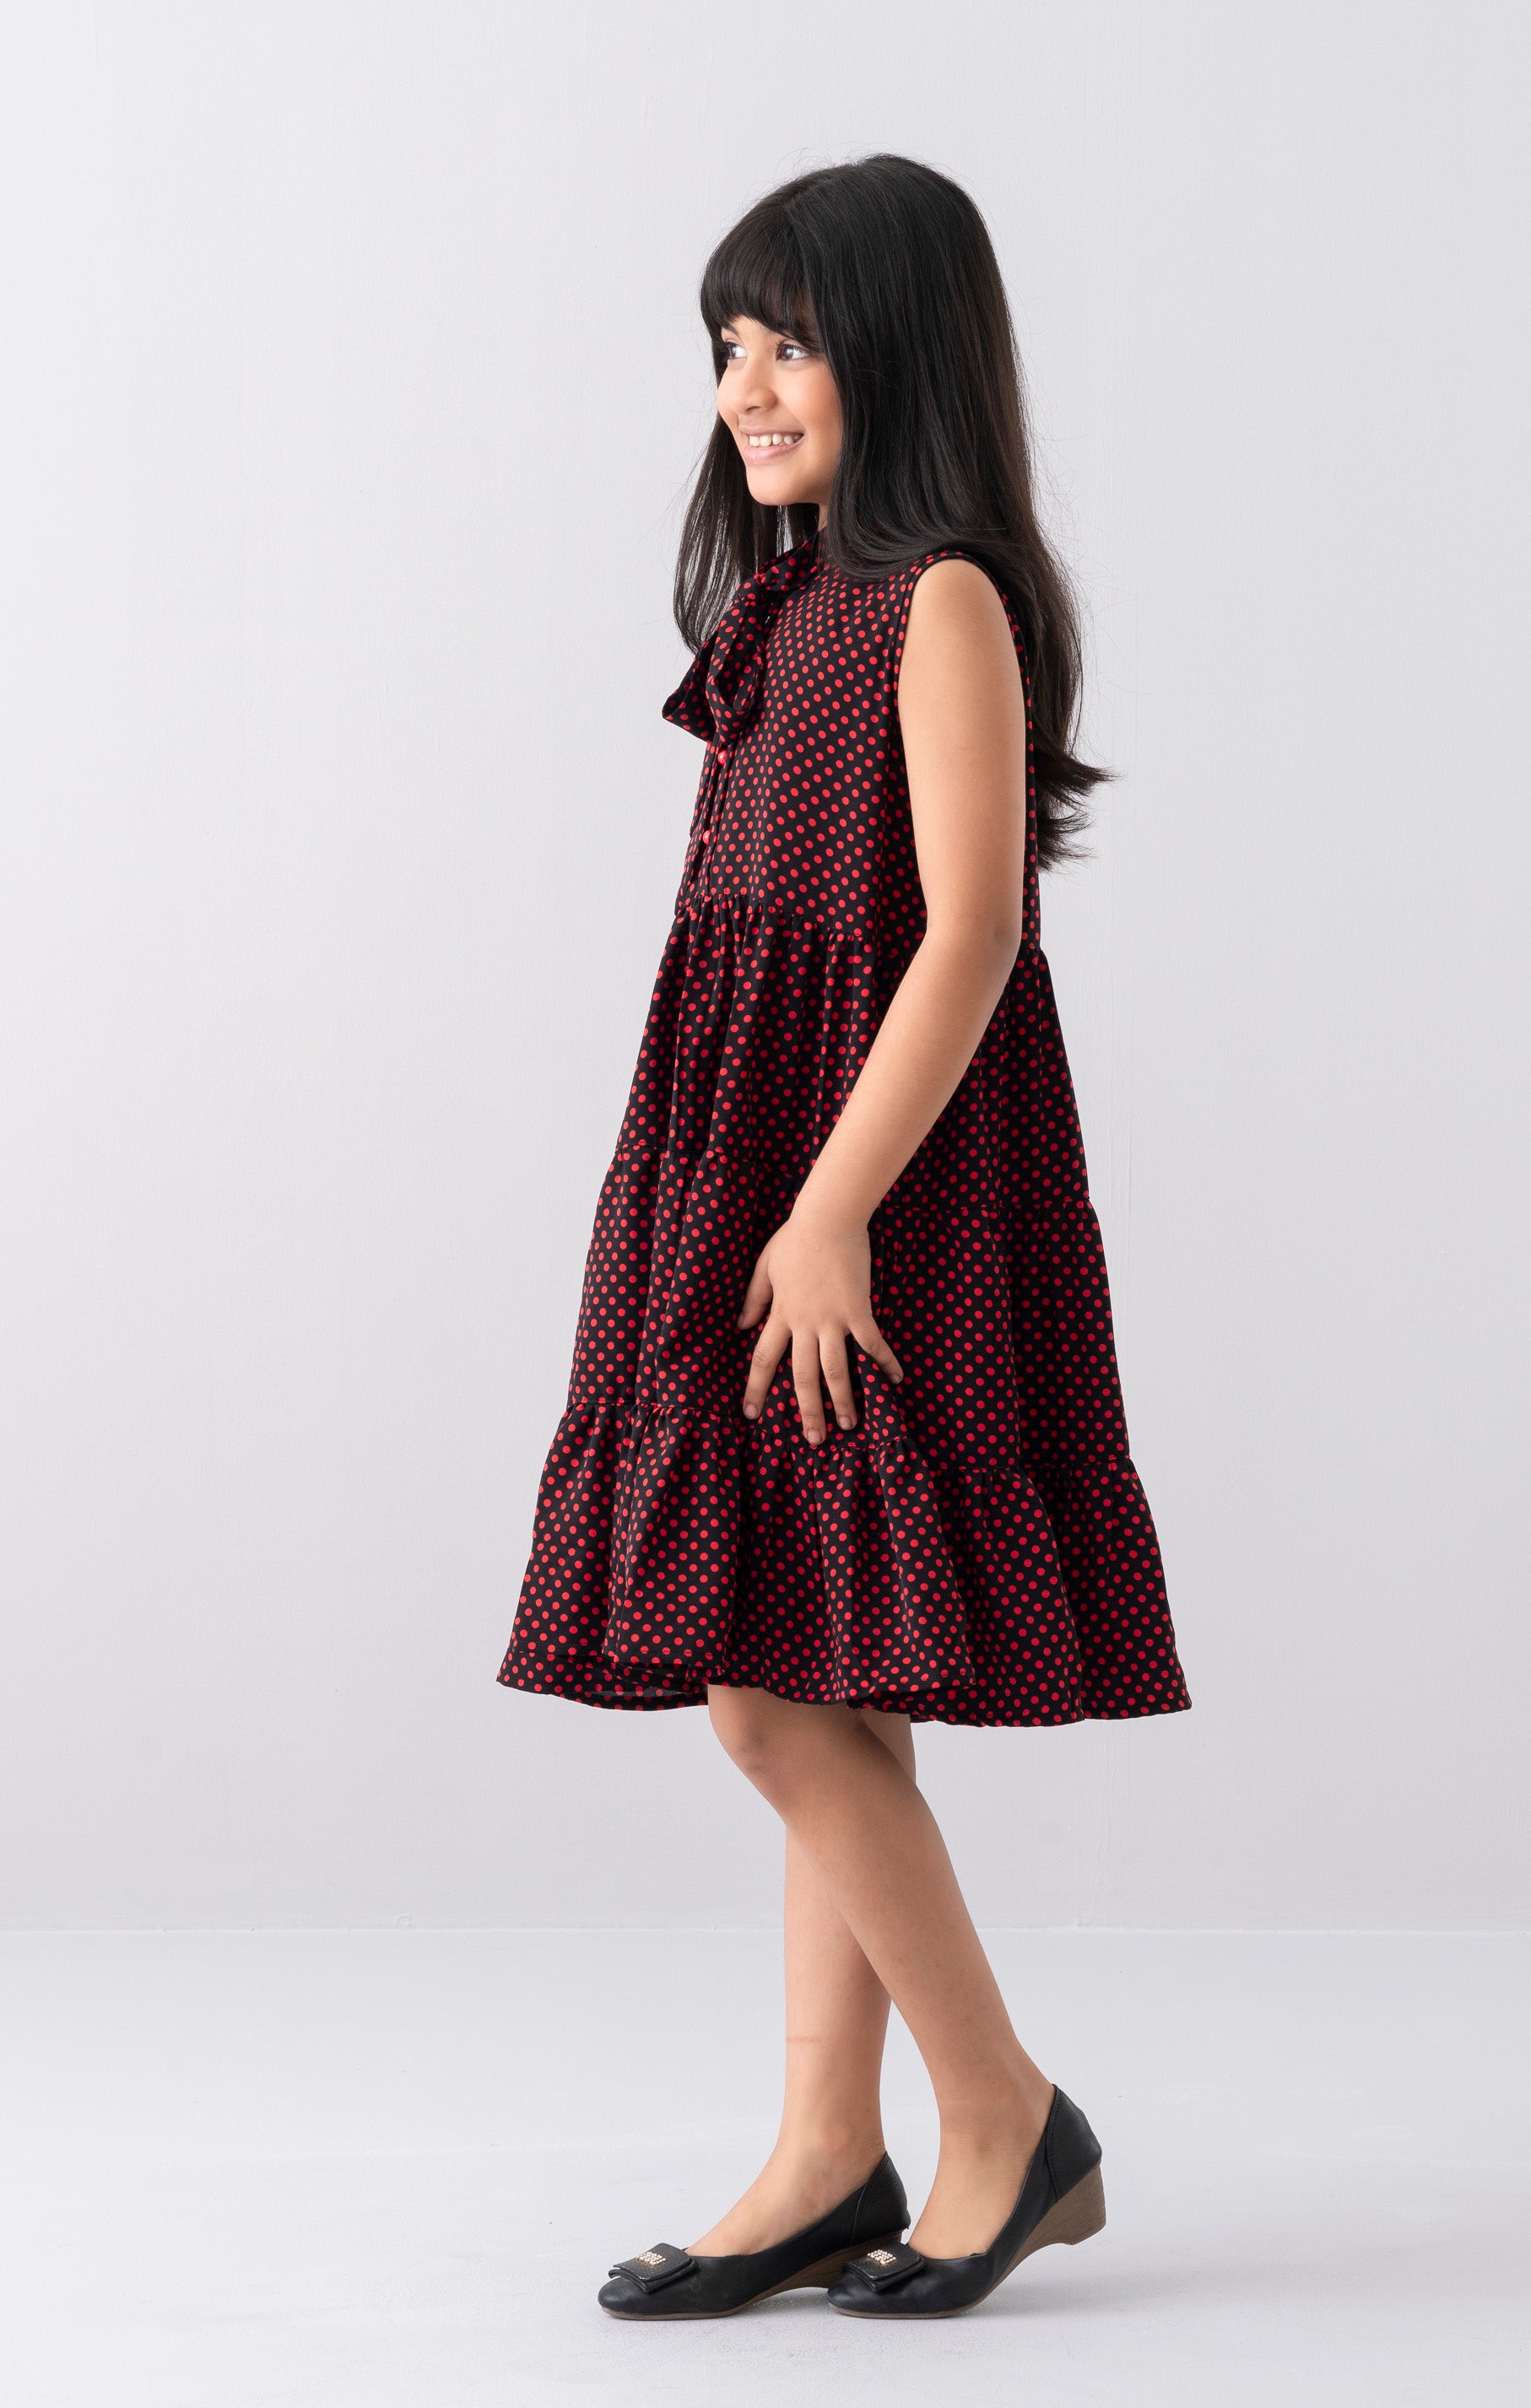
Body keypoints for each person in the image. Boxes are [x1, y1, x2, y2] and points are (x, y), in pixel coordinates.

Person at [498, 153, 1190, 2321]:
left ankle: (1003, 2114)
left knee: (766, 1691)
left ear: (902, 356)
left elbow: (970, 933)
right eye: (727, 346)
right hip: (748, 1163)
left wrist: (824, 1215)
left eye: (789, 341)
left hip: (875, 1188)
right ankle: (825, 2144)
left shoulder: (938, 602)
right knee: (807, 1659)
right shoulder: (783, 612)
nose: (745, 386)